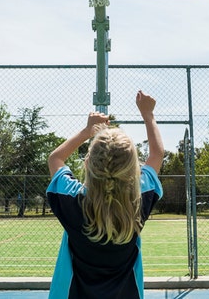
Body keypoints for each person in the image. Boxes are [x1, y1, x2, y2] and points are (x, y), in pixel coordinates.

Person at [46, 91, 164, 299]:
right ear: (133, 169)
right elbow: (156, 155)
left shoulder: (73, 200)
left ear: (88, 162)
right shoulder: (138, 200)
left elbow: (55, 159)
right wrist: (148, 115)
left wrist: (87, 130)